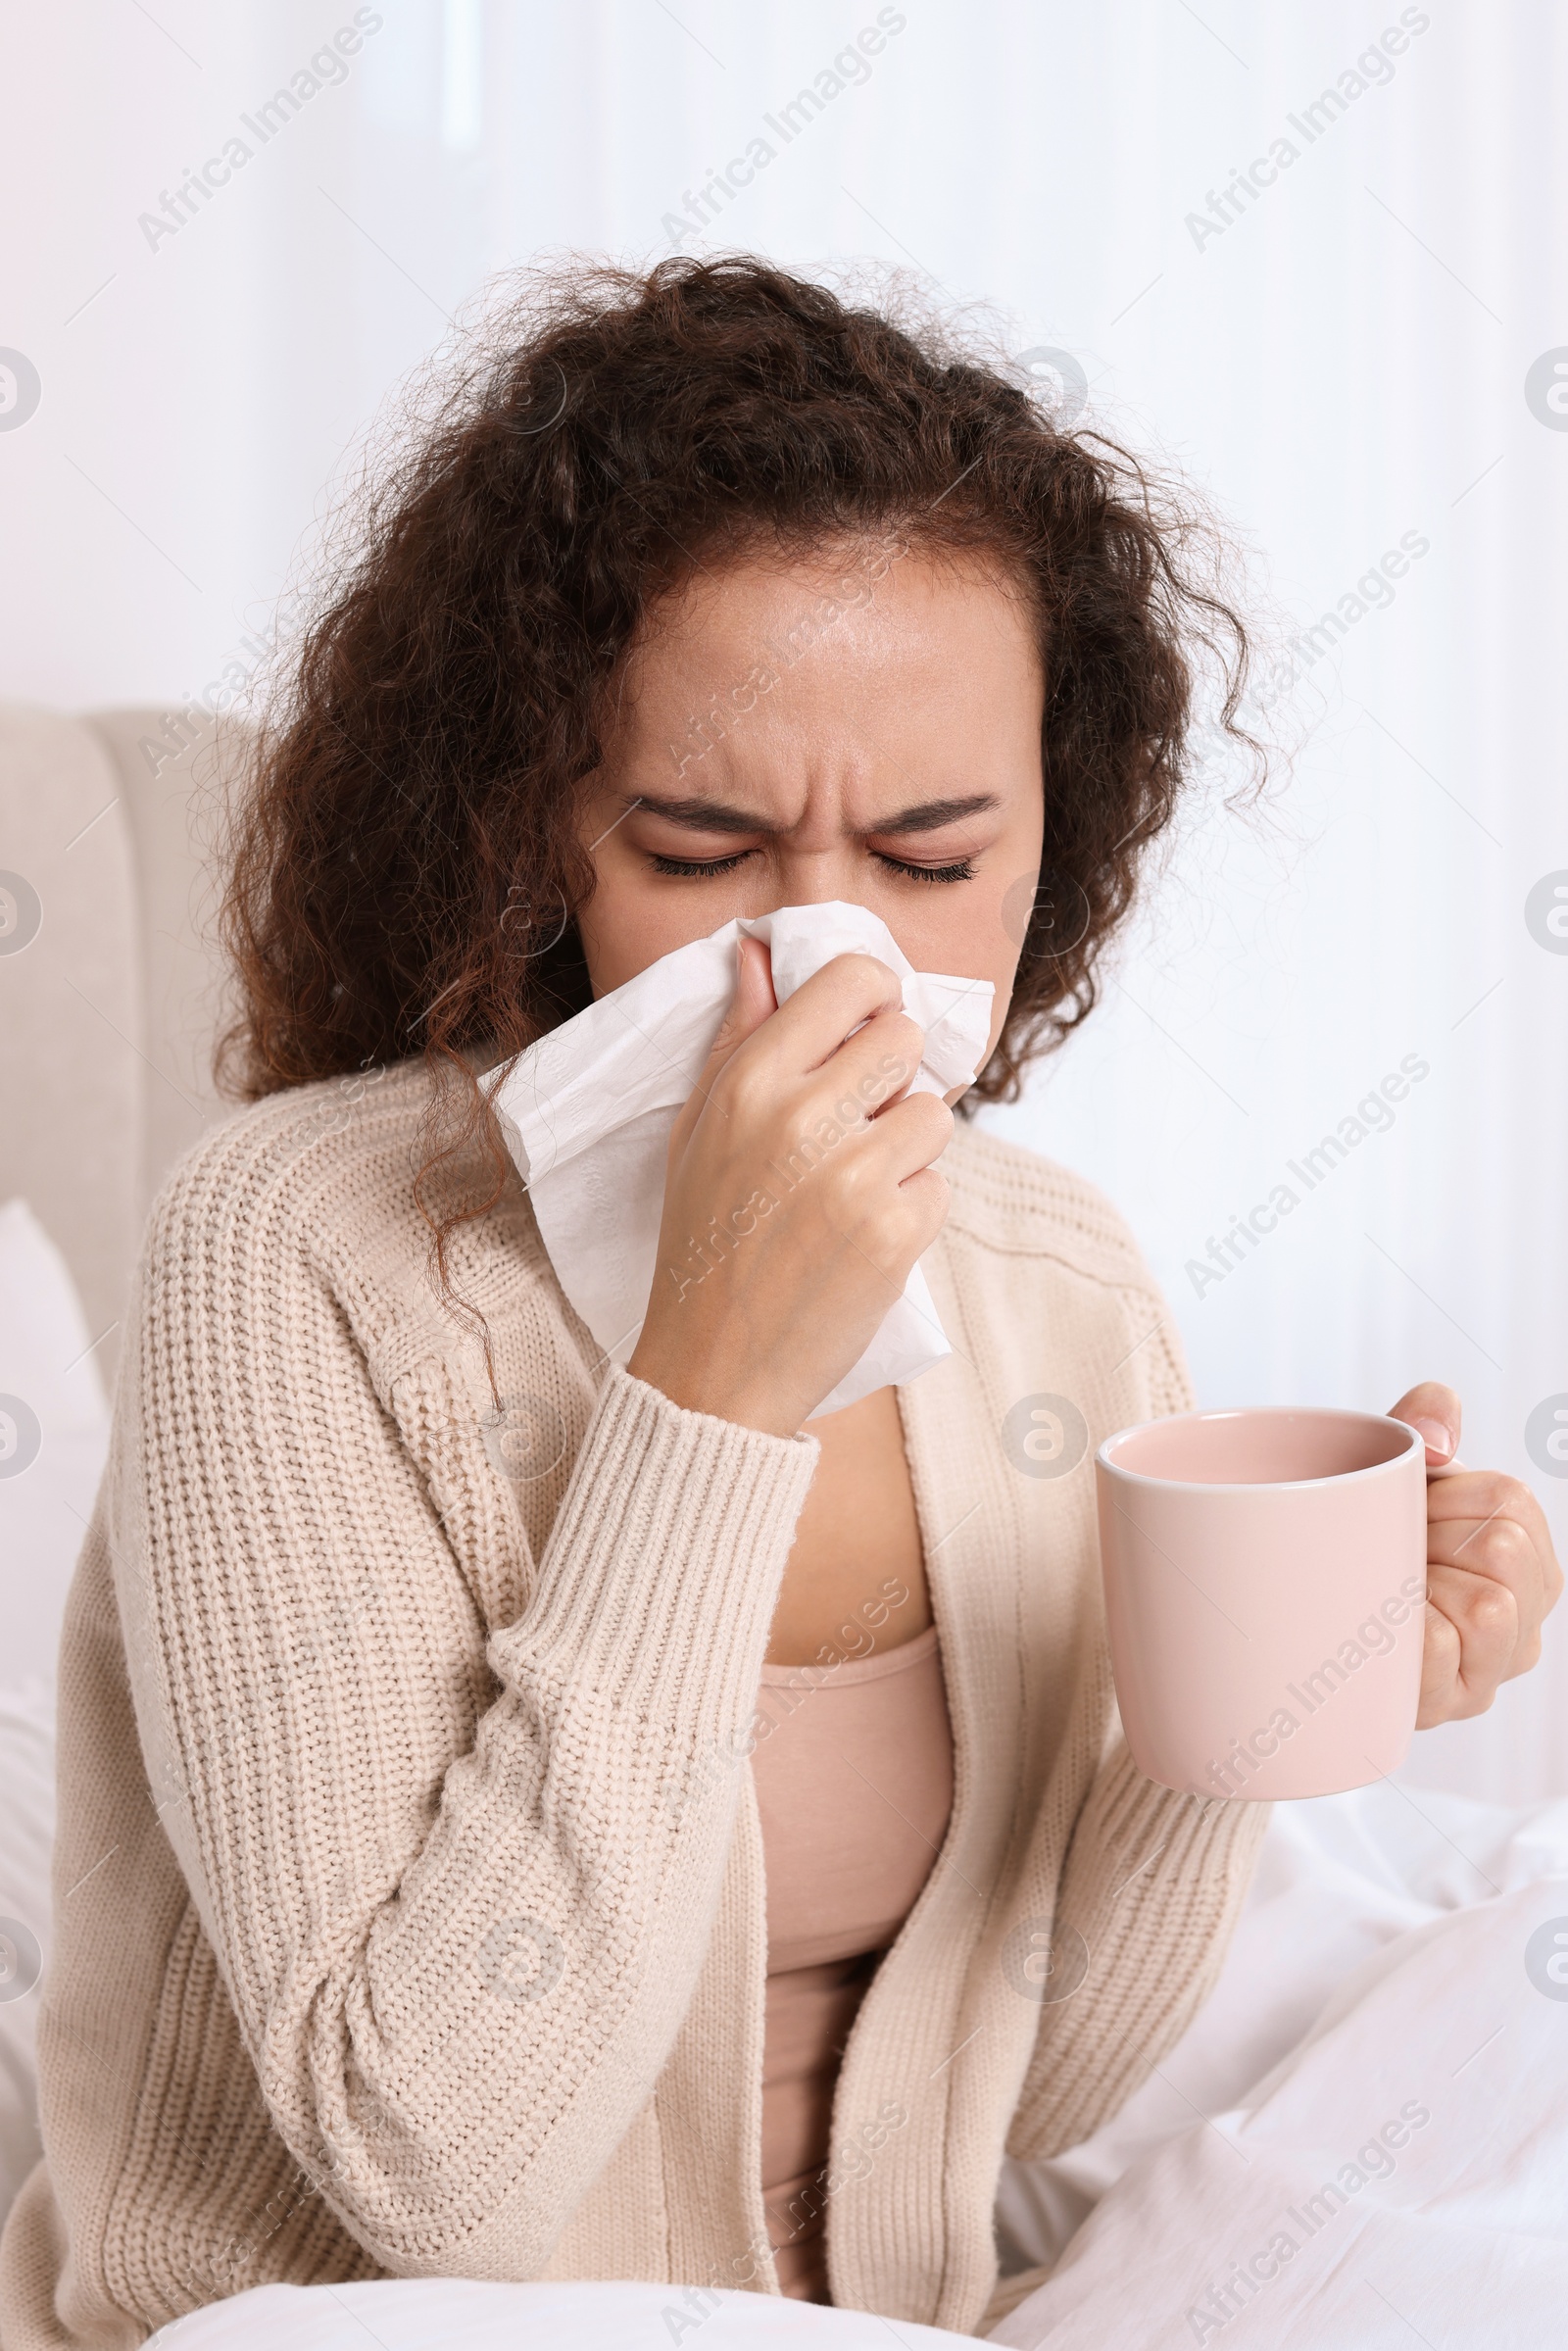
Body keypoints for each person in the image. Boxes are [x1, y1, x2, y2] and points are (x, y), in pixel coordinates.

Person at [1, 257, 1556, 2347]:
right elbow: (424, 2168)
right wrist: (707, 1396)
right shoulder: (286, 1252)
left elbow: (1052, 2090)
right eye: (702, 842)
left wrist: (1249, 1710)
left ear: (1051, 848)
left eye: (928, 858)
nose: (825, 962)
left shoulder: (1053, 1277)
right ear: (535, 831)